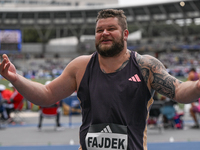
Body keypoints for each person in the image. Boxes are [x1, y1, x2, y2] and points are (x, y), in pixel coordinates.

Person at [1, 9, 200, 150]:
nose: (104, 33)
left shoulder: (145, 65)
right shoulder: (81, 66)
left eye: (111, 28)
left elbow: (180, 91)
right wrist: (16, 79)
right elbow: (46, 95)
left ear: (125, 34)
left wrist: (198, 85)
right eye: (99, 30)